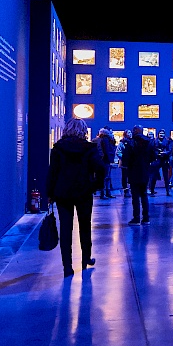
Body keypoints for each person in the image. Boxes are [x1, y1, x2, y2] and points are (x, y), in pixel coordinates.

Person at [46, 117, 105, 277]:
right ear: (83, 130)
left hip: (63, 193)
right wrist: (94, 186)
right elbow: (101, 168)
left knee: (65, 229)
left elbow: (52, 172)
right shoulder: (89, 148)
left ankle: (67, 267)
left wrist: (50, 193)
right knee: (85, 226)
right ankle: (86, 258)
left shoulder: (58, 148)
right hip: (84, 192)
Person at [122, 124, 156, 225]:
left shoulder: (131, 143)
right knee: (144, 195)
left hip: (133, 172)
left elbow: (125, 159)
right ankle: (146, 218)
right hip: (145, 171)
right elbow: (153, 157)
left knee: (135, 197)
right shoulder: (149, 142)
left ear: (135, 131)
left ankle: (136, 218)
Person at [94, 126, 116, 199]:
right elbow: (107, 150)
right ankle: (106, 193)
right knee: (106, 177)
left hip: (101, 160)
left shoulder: (98, 140)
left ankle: (103, 193)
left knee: (103, 177)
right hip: (106, 161)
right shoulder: (106, 140)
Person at [150, 129, 172, 195]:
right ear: (158, 134)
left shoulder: (167, 141)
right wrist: (157, 154)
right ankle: (152, 190)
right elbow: (152, 150)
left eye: (162, 133)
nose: (161, 135)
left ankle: (167, 191)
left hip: (164, 160)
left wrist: (164, 153)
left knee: (166, 176)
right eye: (160, 133)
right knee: (154, 176)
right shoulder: (154, 141)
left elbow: (170, 150)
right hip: (157, 160)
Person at [115, 129, 133, 197]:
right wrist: (124, 157)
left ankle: (132, 189)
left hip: (132, 163)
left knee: (131, 176)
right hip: (124, 163)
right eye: (128, 132)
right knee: (124, 177)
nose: (130, 134)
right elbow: (118, 152)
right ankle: (126, 191)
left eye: (130, 132)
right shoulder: (122, 142)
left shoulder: (133, 142)